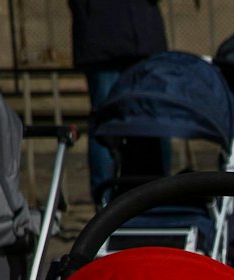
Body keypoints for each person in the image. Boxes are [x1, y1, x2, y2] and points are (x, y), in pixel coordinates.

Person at [68, 0, 168, 202]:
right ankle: (145, 200)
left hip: (123, 31)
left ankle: (148, 198)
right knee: (116, 120)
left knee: (144, 119)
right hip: (117, 32)